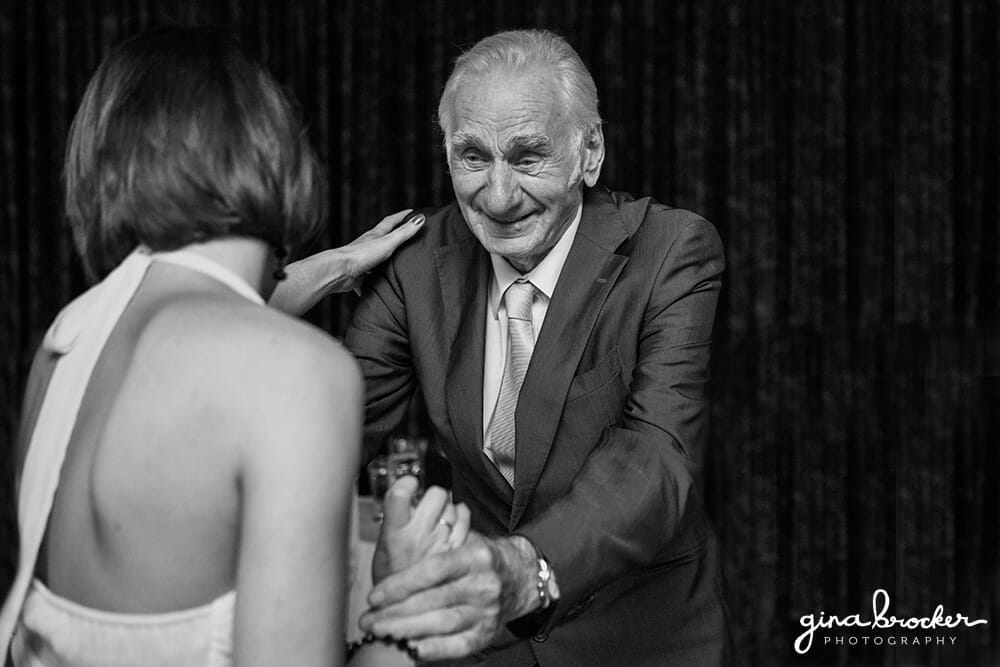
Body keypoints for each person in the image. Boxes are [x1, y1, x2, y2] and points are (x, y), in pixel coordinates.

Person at [0, 26, 466, 667]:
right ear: (275, 158)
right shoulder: (293, 373)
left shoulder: (66, 344)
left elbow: (197, 321)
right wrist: (400, 614)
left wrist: (335, 265)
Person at [336, 29, 734, 665]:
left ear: (589, 152)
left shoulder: (671, 252)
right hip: (487, 647)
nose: (497, 197)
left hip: (641, 642)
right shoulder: (414, 265)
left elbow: (657, 457)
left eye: (527, 158)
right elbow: (326, 428)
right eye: (473, 157)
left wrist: (526, 569)